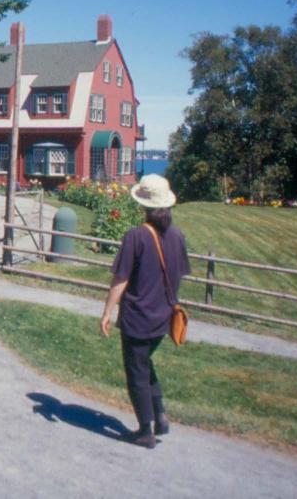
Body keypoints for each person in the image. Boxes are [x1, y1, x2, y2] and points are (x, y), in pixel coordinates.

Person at [100, 174, 190, 449]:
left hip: (137, 317)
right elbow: (178, 274)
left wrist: (107, 312)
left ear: (144, 206)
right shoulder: (177, 236)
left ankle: (145, 431)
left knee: (136, 371)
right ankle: (159, 416)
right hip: (163, 317)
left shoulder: (136, 236)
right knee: (145, 363)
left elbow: (121, 280)